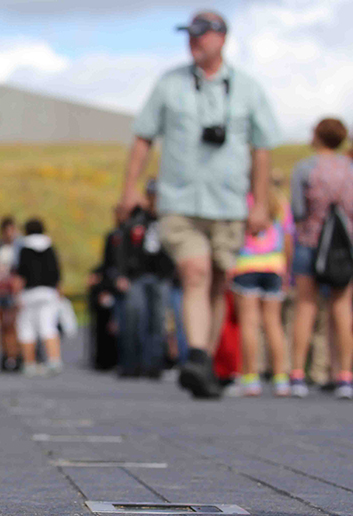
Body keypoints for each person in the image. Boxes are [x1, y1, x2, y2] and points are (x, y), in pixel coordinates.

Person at [116, 10, 279, 398]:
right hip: (180, 202)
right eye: (189, 35)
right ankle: (198, 357)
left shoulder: (248, 89)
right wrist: (130, 187)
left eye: (201, 35)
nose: (194, 41)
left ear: (222, 38)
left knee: (218, 280)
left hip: (228, 204)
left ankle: (203, 361)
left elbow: (262, 150)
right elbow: (143, 137)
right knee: (195, 272)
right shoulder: (169, 84)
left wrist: (260, 204)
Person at [288, 117, 353, 399]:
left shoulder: (305, 168)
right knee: (342, 309)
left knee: (305, 307)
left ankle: (298, 375)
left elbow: (298, 210)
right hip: (342, 247)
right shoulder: (349, 169)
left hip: (310, 242)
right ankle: (344, 376)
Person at [226, 192, 292, 397]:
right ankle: (281, 379)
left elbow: (232, 235)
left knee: (249, 323)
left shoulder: (242, 200)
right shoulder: (279, 203)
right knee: (274, 323)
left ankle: (250, 378)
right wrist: (286, 269)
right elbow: (288, 238)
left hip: (246, 264)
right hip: (273, 265)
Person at [114, 178, 174, 378]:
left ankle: (154, 365)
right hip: (137, 277)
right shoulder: (136, 220)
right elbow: (122, 250)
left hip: (161, 276)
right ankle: (131, 364)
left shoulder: (170, 221)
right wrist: (121, 274)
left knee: (157, 322)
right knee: (134, 320)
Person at [15, 218, 62, 376]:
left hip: (30, 292)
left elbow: (20, 274)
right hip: (48, 292)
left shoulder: (24, 248)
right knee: (48, 326)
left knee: (26, 327)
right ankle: (54, 360)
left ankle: (29, 363)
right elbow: (57, 272)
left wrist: (17, 295)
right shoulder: (50, 247)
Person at [0, 217, 20, 372]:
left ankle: (15, 355)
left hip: (13, 291)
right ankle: (5, 354)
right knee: (1, 325)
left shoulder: (19, 248)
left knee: (12, 325)